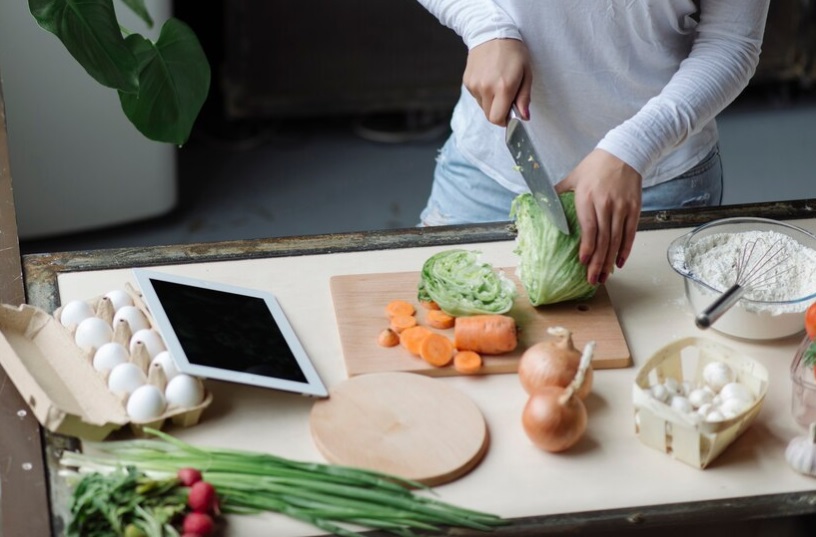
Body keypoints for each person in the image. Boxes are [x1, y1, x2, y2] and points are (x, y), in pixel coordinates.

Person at [416, 1, 770, 285]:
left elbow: (732, 42)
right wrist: (482, 23)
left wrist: (635, 147)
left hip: (651, 178)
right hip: (487, 168)